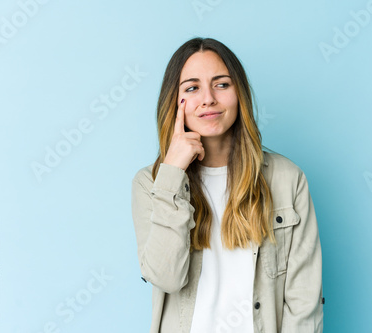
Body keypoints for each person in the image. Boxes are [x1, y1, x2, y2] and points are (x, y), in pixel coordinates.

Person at [131, 37, 323, 333]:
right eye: (192, 88)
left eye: (221, 84)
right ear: (174, 101)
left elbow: (304, 299)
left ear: (239, 94)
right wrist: (171, 174)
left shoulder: (287, 178)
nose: (208, 98)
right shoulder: (151, 183)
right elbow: (166, 277)